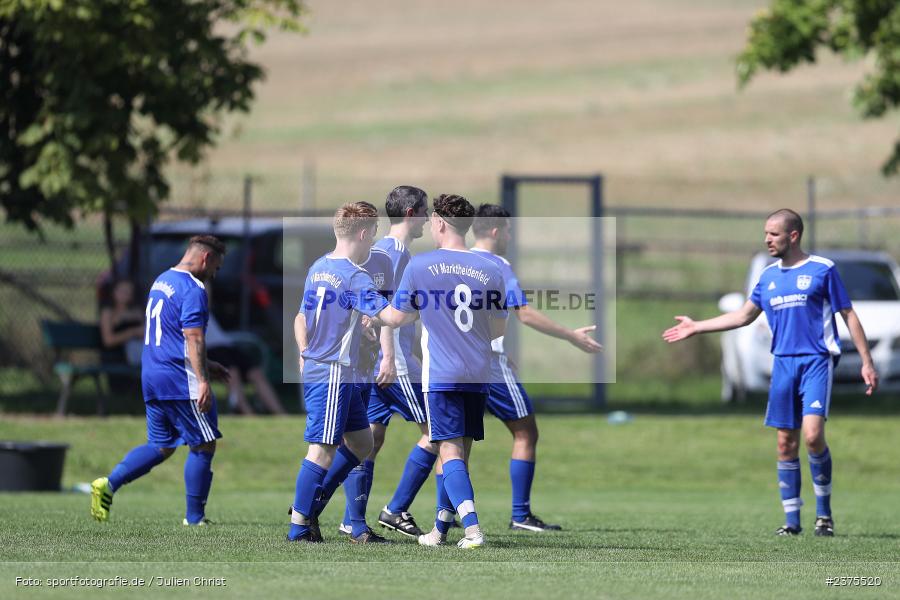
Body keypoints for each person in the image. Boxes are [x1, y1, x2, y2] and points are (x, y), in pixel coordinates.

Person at [662, 209, 878, 537]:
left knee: (812, 436)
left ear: (793, 236)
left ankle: (824, 516)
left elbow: (848, 315)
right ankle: (791, 522)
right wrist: (698, 326)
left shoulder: (822, 270)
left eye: (773, 234)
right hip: (783, 364)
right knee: (784, 443)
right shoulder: (767, 276)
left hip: (816, 361)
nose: (767, 239)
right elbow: (743, 315)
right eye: (765, 233)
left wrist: (866, 361)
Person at [373, 193, 508, 549]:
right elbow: (498, 329)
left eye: (433, 220)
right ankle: (439, 529)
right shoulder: (492, 268)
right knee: (459, 454)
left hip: (443, 374)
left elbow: (398, 317)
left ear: (441, 223)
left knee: (448, 454)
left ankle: (473, 530)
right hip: (479, 373)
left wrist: (371, 306)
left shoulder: (421, 266)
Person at [470, 204, 603, 531]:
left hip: (457, 364)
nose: (512, 236)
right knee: (526, 431)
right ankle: (521, 515)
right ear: (497, 231)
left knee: (454, 442)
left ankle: (442, 513)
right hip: (490, 367)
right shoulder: (498, 264)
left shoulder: (458, 260)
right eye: (510, 230)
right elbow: (524, 313)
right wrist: (571, 336)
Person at [90, 235, 230, 526]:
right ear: (206, 259)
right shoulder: (193, 288)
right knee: (203, 444)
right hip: (180, 379)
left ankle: (109, 483)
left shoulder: (162, 280)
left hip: (152, 374)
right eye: (216, 266)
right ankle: (195, 519)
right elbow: (193, 336)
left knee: (161, 446)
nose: (215, 273)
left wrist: (207, 363)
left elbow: (170, 335)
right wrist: (203, 380)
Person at [288, 202, 393, 544]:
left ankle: (312, 504)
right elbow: (390, 315)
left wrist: (305, 350)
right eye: (373, 233)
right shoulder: (354, 274)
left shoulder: (319, 267)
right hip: (333, 370)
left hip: (335, 370)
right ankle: (299, 526)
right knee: (321, 449)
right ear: (363, 234)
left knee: (362, 442)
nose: (373, 240)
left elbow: (301, 317)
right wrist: (425, 306)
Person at [337, 186, 437, 539]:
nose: (428, 218)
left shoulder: (387, 252)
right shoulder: (393, 254)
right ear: (411, 214)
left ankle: (351, 519)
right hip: (391, 365)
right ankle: (396, 509)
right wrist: (393, 357)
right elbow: (380, 312)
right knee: (440, 432)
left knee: (370, 440)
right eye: (425, 211)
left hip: (381, 362)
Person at [205, 309, 287, 415]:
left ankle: (281, 414)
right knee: (232, 372)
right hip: (208, 349)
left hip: (226, 346)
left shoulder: (202, 302)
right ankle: (248, 414)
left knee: (256, 373)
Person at [99, 279, 145, 396]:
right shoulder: (108, 313)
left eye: (129, 292)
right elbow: (108, 341)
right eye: (122, 291)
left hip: (138, 352)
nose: (126, 294)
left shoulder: (137, 313)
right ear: (114, 292)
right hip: (116, 356)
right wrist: (132, 332)